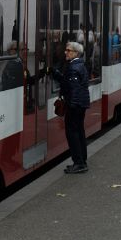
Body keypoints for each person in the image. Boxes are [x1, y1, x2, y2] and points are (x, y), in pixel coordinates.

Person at [51, 42, 91, 174]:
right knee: (79, 131)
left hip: (75, 105)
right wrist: (56, 74)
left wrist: (71, 105)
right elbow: (68, 82)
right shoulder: (79, 65)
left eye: (68, 50)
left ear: (76, 53)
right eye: (66, 50)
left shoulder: (73, 67)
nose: (65, 52)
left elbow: (73, 87)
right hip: (81, 104)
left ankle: (79, 163)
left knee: (72, 133)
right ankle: (82, 161)